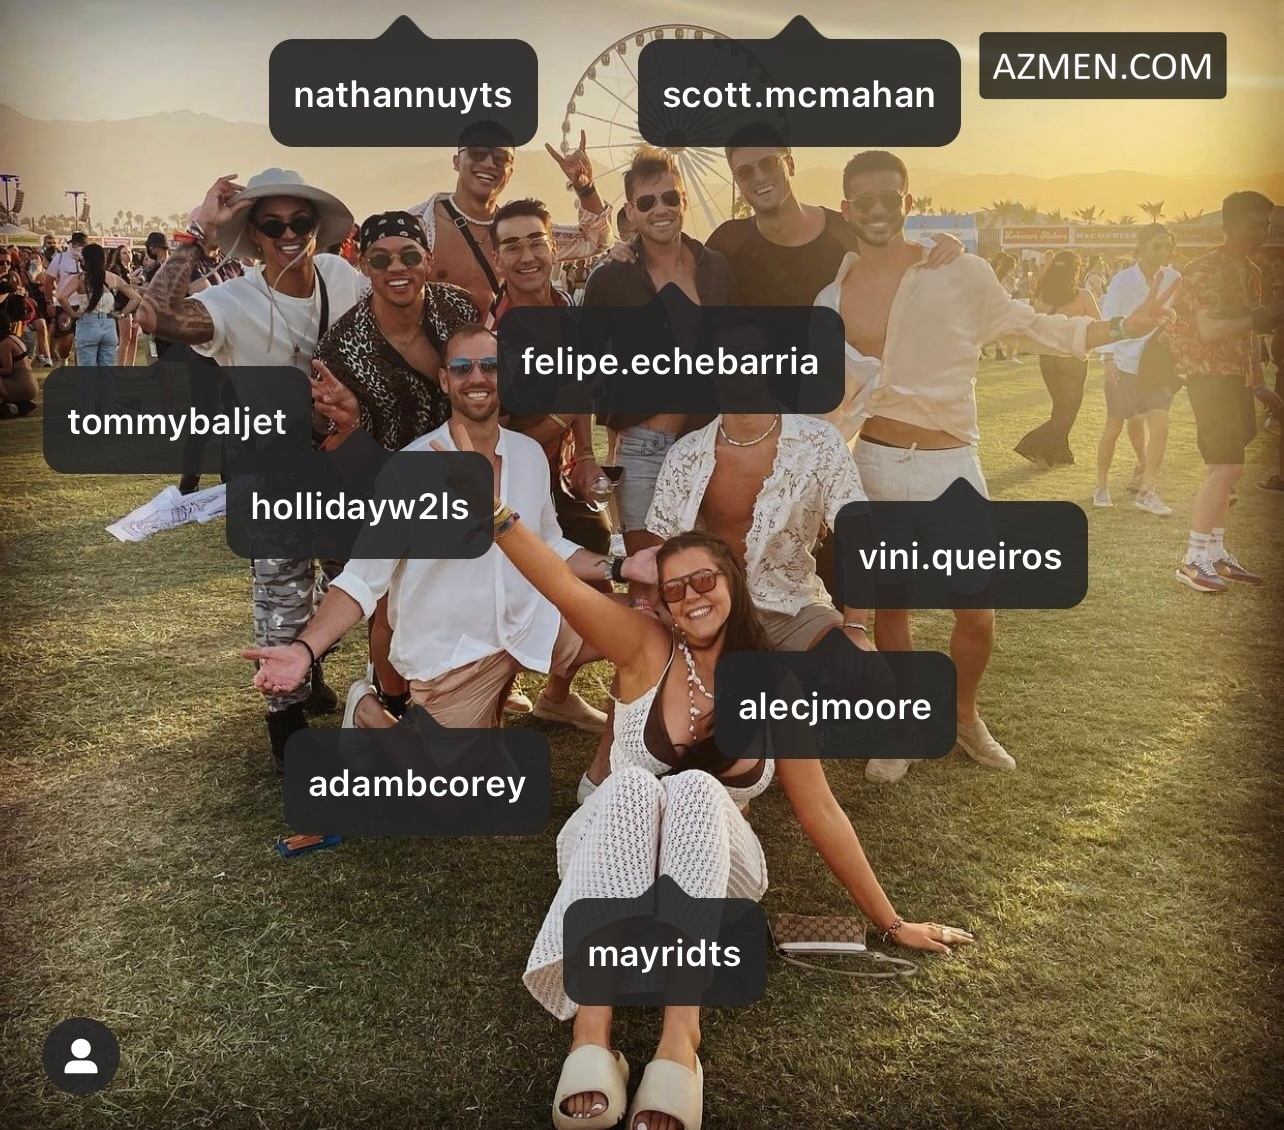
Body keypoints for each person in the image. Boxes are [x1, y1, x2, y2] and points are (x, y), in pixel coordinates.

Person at [470, 502, 973, 1129]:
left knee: (698, 790)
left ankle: (680, 1038)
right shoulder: (643, 648)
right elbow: (561, 586)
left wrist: (891, 923)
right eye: (674, 589)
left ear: (732, 580)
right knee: (631, 786)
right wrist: (494, 513)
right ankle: (591, 1037)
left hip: (711, 875)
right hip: (611, 859)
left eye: (703, 580)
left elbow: (820, 809)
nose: (690, 597)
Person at [817, 150, 1175, 782]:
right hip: (872, 463)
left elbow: (1035, 327)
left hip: (951, 465)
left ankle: (963, 717)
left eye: (889, 198)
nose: (877, 210)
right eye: (863, 201)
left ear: (908, 202)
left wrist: (1123, 325)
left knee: (977, 614)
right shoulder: (831, 296)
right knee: (891, 610)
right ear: (847, 209)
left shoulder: (960, 270)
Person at [243, 323, 657, 734]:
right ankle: (370, 713)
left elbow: (548, 545)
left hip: (531, 623)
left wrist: (622, 567)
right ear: (444, 380)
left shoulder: (529, 454)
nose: (477, 377)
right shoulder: (411, 470)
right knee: (458, 780)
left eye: (490, 366)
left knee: (648, 629)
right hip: (456, 655)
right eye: (462, 368)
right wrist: (304, 650)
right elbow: (362, 579)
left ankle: (622, 756)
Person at [136, 168, 363, 764]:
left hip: (343, 466)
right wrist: (196, 232)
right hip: (274, 469)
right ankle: (285, 720)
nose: (288, 235)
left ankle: (310, 665)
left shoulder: (343, 277)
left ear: (317, 227)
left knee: (355, 580)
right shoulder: (233, 301)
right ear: (254, 236)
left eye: (300, 222)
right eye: (272, 225)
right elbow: (154, 317)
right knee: (281, 592)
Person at [310, 210, 480, 724]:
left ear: (428, 259)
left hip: (455, 474)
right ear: (364, 265)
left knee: (458, 590)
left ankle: (458, 686)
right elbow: (330, 439)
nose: (396, 268)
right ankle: (390, 701)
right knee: (389, 604)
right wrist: (353, 420)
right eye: (381, 259)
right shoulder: (343, 344)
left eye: (409, 255)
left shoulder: (455, 309)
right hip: (379, 482)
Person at [483, 197, 612, 733]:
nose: (527, 255)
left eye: (535, 241)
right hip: (510, 483)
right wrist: (562, 416)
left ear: (553, 246)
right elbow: (500, 441)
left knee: (596, 565)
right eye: (512, 246)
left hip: (557, 472)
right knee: (515, 589)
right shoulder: (495, 337)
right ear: (497, 259)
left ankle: (555, 695)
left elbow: (578, 391)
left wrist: (585, 454)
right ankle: (490, 703)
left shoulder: (565, 309)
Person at [582, 148, 734, 562]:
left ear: (684, 199)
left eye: (669, 197)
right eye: (647, 202)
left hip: (711, 445)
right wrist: (587, 452)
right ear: (631, 212)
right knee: (647, 575)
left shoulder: (717, 268)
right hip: (643, 447)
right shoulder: (611, 278)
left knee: (710, 571)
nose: (660, 209)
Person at [1167, 191, 1284, 592]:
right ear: (1228, 225)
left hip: (1236, 377)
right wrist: (1262, 315)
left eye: (1266, 225)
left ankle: (1215, 552)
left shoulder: (1250, 270)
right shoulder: (1204, 269)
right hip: (1207, 375)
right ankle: (1192, 559)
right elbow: (1209, 329)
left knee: (1227, 467)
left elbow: (1248, 335)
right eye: (1254, 224)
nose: (1262, 232)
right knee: (1226, 466)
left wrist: (1259, 383)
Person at [407, 123, 613, 313]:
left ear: (510, 172)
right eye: (478, 153)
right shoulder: (417, 227)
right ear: (457, 162)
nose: (489, 163)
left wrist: (585, 187)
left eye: (501, 158)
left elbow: (595, 241)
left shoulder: (524, 234)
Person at [1093, 224, 1182, 514]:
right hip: (1124, 362)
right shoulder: (1122, 280)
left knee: (1161, 425)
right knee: (1113, 428)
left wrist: (1173, 320)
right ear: (1142, 247)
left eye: (1168, 246)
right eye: (1158, 245)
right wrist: (1108, 359)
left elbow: (1179, 316)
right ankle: (1101, 485)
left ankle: (1147, 490)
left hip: (1158, 364)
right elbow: (1109, 319)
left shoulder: (1174, 278)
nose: (1164, 251)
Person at [1014, 251, 1101, 469]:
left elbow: (1036, 325)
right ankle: (1033, 445)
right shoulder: (1083, 296)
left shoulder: (1042, 296)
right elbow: (1099, 324)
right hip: (1072, 358)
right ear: (1076, 271)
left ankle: (1060, 452)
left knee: (1060, 406)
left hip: (1048, 358)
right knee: (1068, 410)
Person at [57, 243, 141, 413]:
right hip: (108, 326)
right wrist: (121, 314)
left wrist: (73, 314)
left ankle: (88, 411)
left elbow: (61, 297)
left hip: (88, 325)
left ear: (86, 260)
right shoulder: (112, 277)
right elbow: (136, 297)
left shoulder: (81, 278)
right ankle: (107, 409)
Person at [105, 244, 140, 367]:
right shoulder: (116, 269)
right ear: (119, 256)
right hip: (122, 305)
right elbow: (117, 286)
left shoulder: (132, 269)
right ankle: (121, 366)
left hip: (135, 306)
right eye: (124, 253)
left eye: (129, 252)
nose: (128, 255)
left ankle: (130, 366)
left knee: (134, 338)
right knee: (125, 338)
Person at [0, 307, 38, 415]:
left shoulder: (5, 343)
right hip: (30, 385)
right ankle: (21, 405)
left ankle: (4, 407)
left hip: (22, 386)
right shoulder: (13, 338)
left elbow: (7, 370)